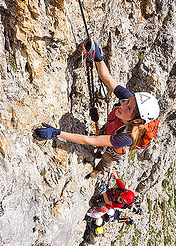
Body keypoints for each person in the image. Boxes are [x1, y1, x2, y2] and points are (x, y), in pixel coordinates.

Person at [35, 41, 160, 178]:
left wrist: (57, 133)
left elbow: (91, 141)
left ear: (136, 120)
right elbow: (106, 78)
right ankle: (101, 153)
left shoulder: (127, 138)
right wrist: (98, 58)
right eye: (128, 101)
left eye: (128, 109)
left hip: (115, 149)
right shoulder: (129, 100)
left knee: (107, 159)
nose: (123, 105)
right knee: (102, 139)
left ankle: (98, 171)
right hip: (111, 130)